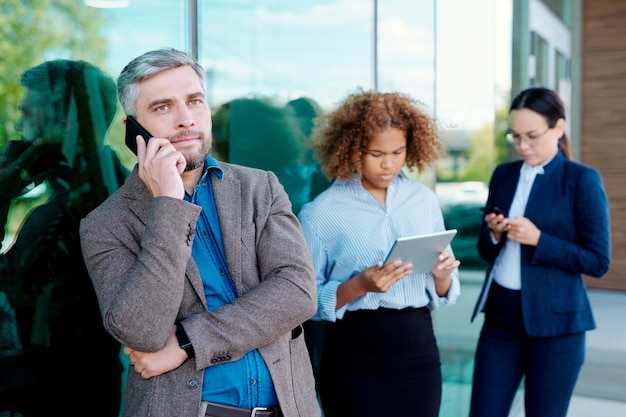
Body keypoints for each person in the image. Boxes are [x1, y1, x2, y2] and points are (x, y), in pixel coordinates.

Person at [79, 48, 320, 417]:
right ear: (132, 130)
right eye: (163, 107)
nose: (185, 120)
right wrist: (169, 207)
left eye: (194, 101)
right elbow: (141, 332)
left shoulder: (261, 188)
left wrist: (188, 342)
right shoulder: (105, 224)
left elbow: (298, 292)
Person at [297, 90, 461, 417]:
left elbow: (444, 289)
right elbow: (305, 301)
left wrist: (442, 276)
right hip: (354, 358)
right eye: (376, 153)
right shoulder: (320, 213)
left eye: (398, 151)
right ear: (352, 148)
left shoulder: (424, 200)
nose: (389, 163)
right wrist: (359, 285)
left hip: (419, 354)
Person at [468, 86, 611, 417]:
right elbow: (486, 251)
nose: (523, 146)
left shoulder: (582, 180)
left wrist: (539, 239)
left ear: (558, 129)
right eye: (515, 137)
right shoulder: (503, 175)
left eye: (532, 136)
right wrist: (492, 233)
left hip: (557, 328)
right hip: (501, 319)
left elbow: (598, 261)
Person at [0, 60, 126, 416]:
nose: (19, 125)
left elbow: (10, 302)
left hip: (52, 397)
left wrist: (1, 195)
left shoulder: (63, 214)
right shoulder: (117, 187)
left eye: (28, 113)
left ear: (64, 124)